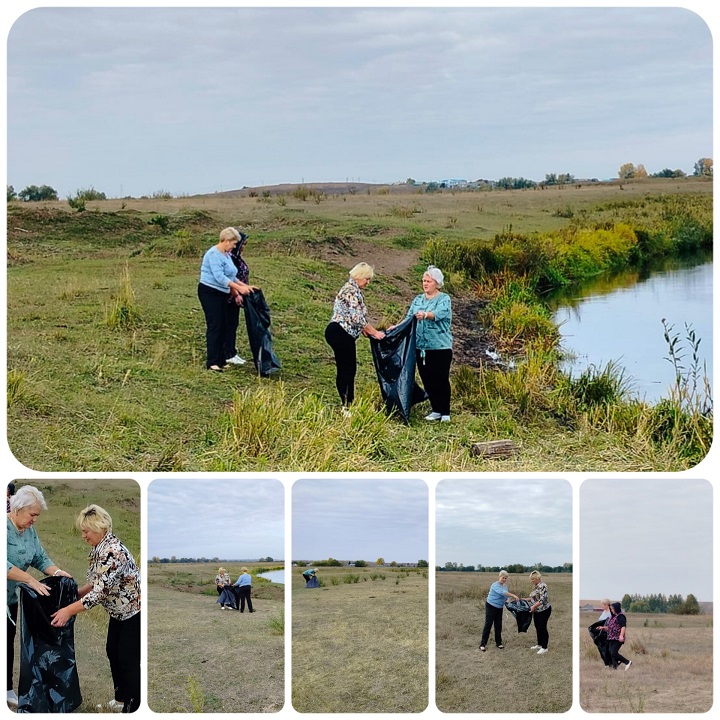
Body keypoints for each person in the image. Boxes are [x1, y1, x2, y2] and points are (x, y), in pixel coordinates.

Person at [50, 505, 142, 712]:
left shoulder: (112, 552)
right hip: (117, 612)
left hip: (133, 612)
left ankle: (133, 707)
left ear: (100, 527)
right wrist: (73, 597)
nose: (83, 535)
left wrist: (68, 611)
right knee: (113, 651)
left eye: (86, 531)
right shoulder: (99, 547)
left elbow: (99, 593)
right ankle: (120, 700)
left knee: (127, 659)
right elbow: (94, 582)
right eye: (82, 530)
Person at [6, 486, 72, 709]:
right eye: (32, 514)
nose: (35, 519)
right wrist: (30, 580)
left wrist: (57, 572)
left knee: (7, 642)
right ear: (17, 509)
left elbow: (40, 558)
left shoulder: (29, 531)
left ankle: (6, 688)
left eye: (37, 515)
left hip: (9, 600)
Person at [324, 262, 385, 414]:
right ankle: (346, 405)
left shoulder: (351, 289)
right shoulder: (351, 291)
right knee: (347, 368)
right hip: (341, 331)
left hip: (341, 331)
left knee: (346, 367)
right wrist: (374, 332)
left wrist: (363, 331)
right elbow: (357, 318)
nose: (368, 283)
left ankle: (347, 403)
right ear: (359, 277)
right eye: (367, 279)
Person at [198, 227, 256, 372]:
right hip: (210, 293)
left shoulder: (226, 254)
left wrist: (245, 286)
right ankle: (212, 362)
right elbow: (220, 277)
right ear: (226, 240)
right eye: (234, 243)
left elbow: (231, 275)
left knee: (224, 325)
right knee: (215, 326)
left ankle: (221, 359)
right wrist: (238, 289)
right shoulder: (213, 254)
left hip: (222, 293)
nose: (235, 246)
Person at [401, 265, 453, 422]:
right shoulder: (417, 299)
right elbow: (408, 317)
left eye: (428, 281)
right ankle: (435, 409)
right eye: (423, 281)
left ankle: (445, 412)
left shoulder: (444, 299)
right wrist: (396, 327)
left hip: (440, 347)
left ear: (436, 283)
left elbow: (439, 314)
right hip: (421, 346)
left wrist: (426, 315)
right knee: (427, 378)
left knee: (441, 378)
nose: (425, 284)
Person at [223, 229, 250, 366]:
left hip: (238, 295)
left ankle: (231, 351)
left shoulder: (236, 257)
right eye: (242, 244)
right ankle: (228, 353)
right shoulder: (230, 258)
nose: (243, 247)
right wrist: (237, 294)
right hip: (230, 296)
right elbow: (229, 278)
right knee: (228, 324)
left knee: (233, 324)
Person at [479, 570, 519, 652]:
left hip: (499, 608)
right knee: (488, 624)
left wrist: (508, 601)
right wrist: (513, 595)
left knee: (498, 625)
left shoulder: (505, 586)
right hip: (491, 606)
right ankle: (482, 644)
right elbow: (502, 592)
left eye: (505, 578)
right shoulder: (495, 585)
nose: (504, 579)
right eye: (502, 577)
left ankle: (498, 643)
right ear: (499, 577)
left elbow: (505, 596)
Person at [524, 570, 552, 654]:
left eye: (533, 579)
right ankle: (539, 644)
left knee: (542, 627)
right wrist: (524, 599)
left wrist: (533, 606)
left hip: (544, 610)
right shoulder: (535, 586)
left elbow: (542, 600)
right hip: (536, 611)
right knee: (537, 627)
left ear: (538, 578)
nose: (532, 581)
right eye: (531, 579)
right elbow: (533, 598)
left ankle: (545, 647)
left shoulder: (543, 586)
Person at [599, 601, 632, 670]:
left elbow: (623, 626)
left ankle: (627, 662)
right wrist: (603, 628)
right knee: (611, 653)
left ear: (616, 609)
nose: (611, 610)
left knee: (613, 653)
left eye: (613, 609)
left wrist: (621, 636)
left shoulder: (621, 616)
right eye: (611, 609)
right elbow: (610, 627)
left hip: (617, 638)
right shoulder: (612, 617)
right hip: (611, 637)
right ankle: (615, 667)